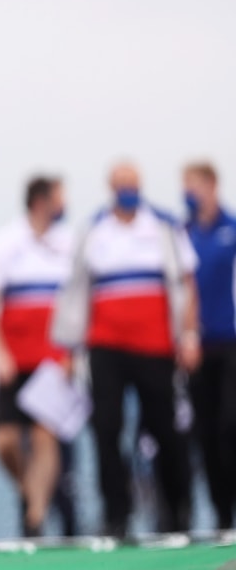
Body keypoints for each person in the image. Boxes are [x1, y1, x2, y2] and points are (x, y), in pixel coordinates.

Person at [52, 162, 201, 537]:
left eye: (132, 184)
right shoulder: (93, 230)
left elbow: (186, 285)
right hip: (105, 347)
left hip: (155, 347)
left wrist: (188, 335)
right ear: (110, 187)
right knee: (105, 427)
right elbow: (75, 292)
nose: (127, 190)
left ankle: (176, 509)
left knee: (165, 430)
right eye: (121, 184)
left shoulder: (164, 226)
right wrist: (69, 348)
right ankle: (117, 513)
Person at [0, 175, 74, 537]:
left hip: (52, 359)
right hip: (15, 361)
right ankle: (28, 486)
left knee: (47, 439)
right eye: (60, 198)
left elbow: (76, 305)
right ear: (41, 201)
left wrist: (72, 354)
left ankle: (35, 516)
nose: (65, 205)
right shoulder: (5, 243)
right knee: (4, 441)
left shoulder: (68, 244)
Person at [183, 161, 236, 529]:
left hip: (231, 343)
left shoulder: (231, 230)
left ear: (212, 186)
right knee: (205, 433)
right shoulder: (181, 235)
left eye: (194, 185)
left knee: (230, 426)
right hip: (196, 349)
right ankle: (221, 514)